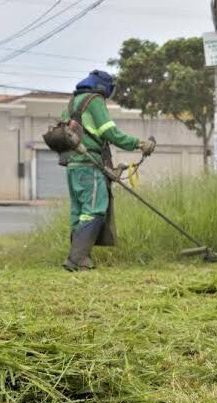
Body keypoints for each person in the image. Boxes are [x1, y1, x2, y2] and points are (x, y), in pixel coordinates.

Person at [61, 70, 156, 272]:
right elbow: (110, 132)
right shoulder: (94, 100)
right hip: (89, 164)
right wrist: (139, 144)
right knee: (95, 209)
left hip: (73, 165)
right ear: (104, 87)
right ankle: (76, 259)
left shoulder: (71, 103)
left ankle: (80, 257)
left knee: (79, 211)